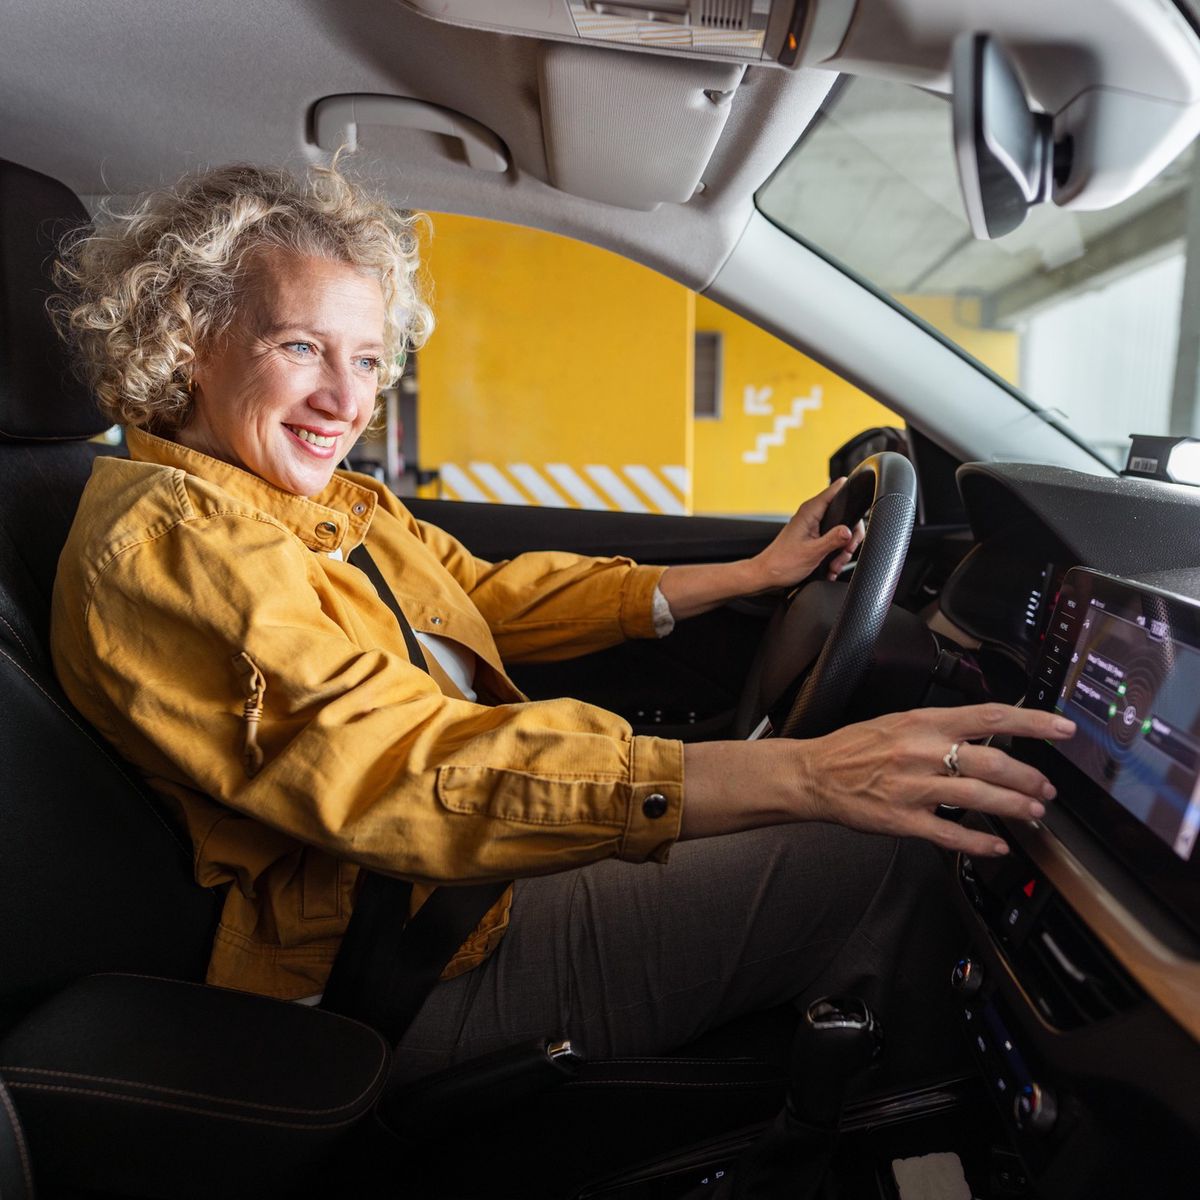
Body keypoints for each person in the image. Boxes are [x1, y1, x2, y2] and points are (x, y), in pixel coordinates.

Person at [48, 161, 1073, 1087]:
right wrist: (802, 772)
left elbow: (485, 596)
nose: (343, 399)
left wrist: (749, 573)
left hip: (459, 881)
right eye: (302, 347)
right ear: (187, 340)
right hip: (406, 959)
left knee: (825, 810)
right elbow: (401, 768)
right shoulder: (176, 544)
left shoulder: (300, 503)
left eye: (366, 359)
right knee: (895, 859)